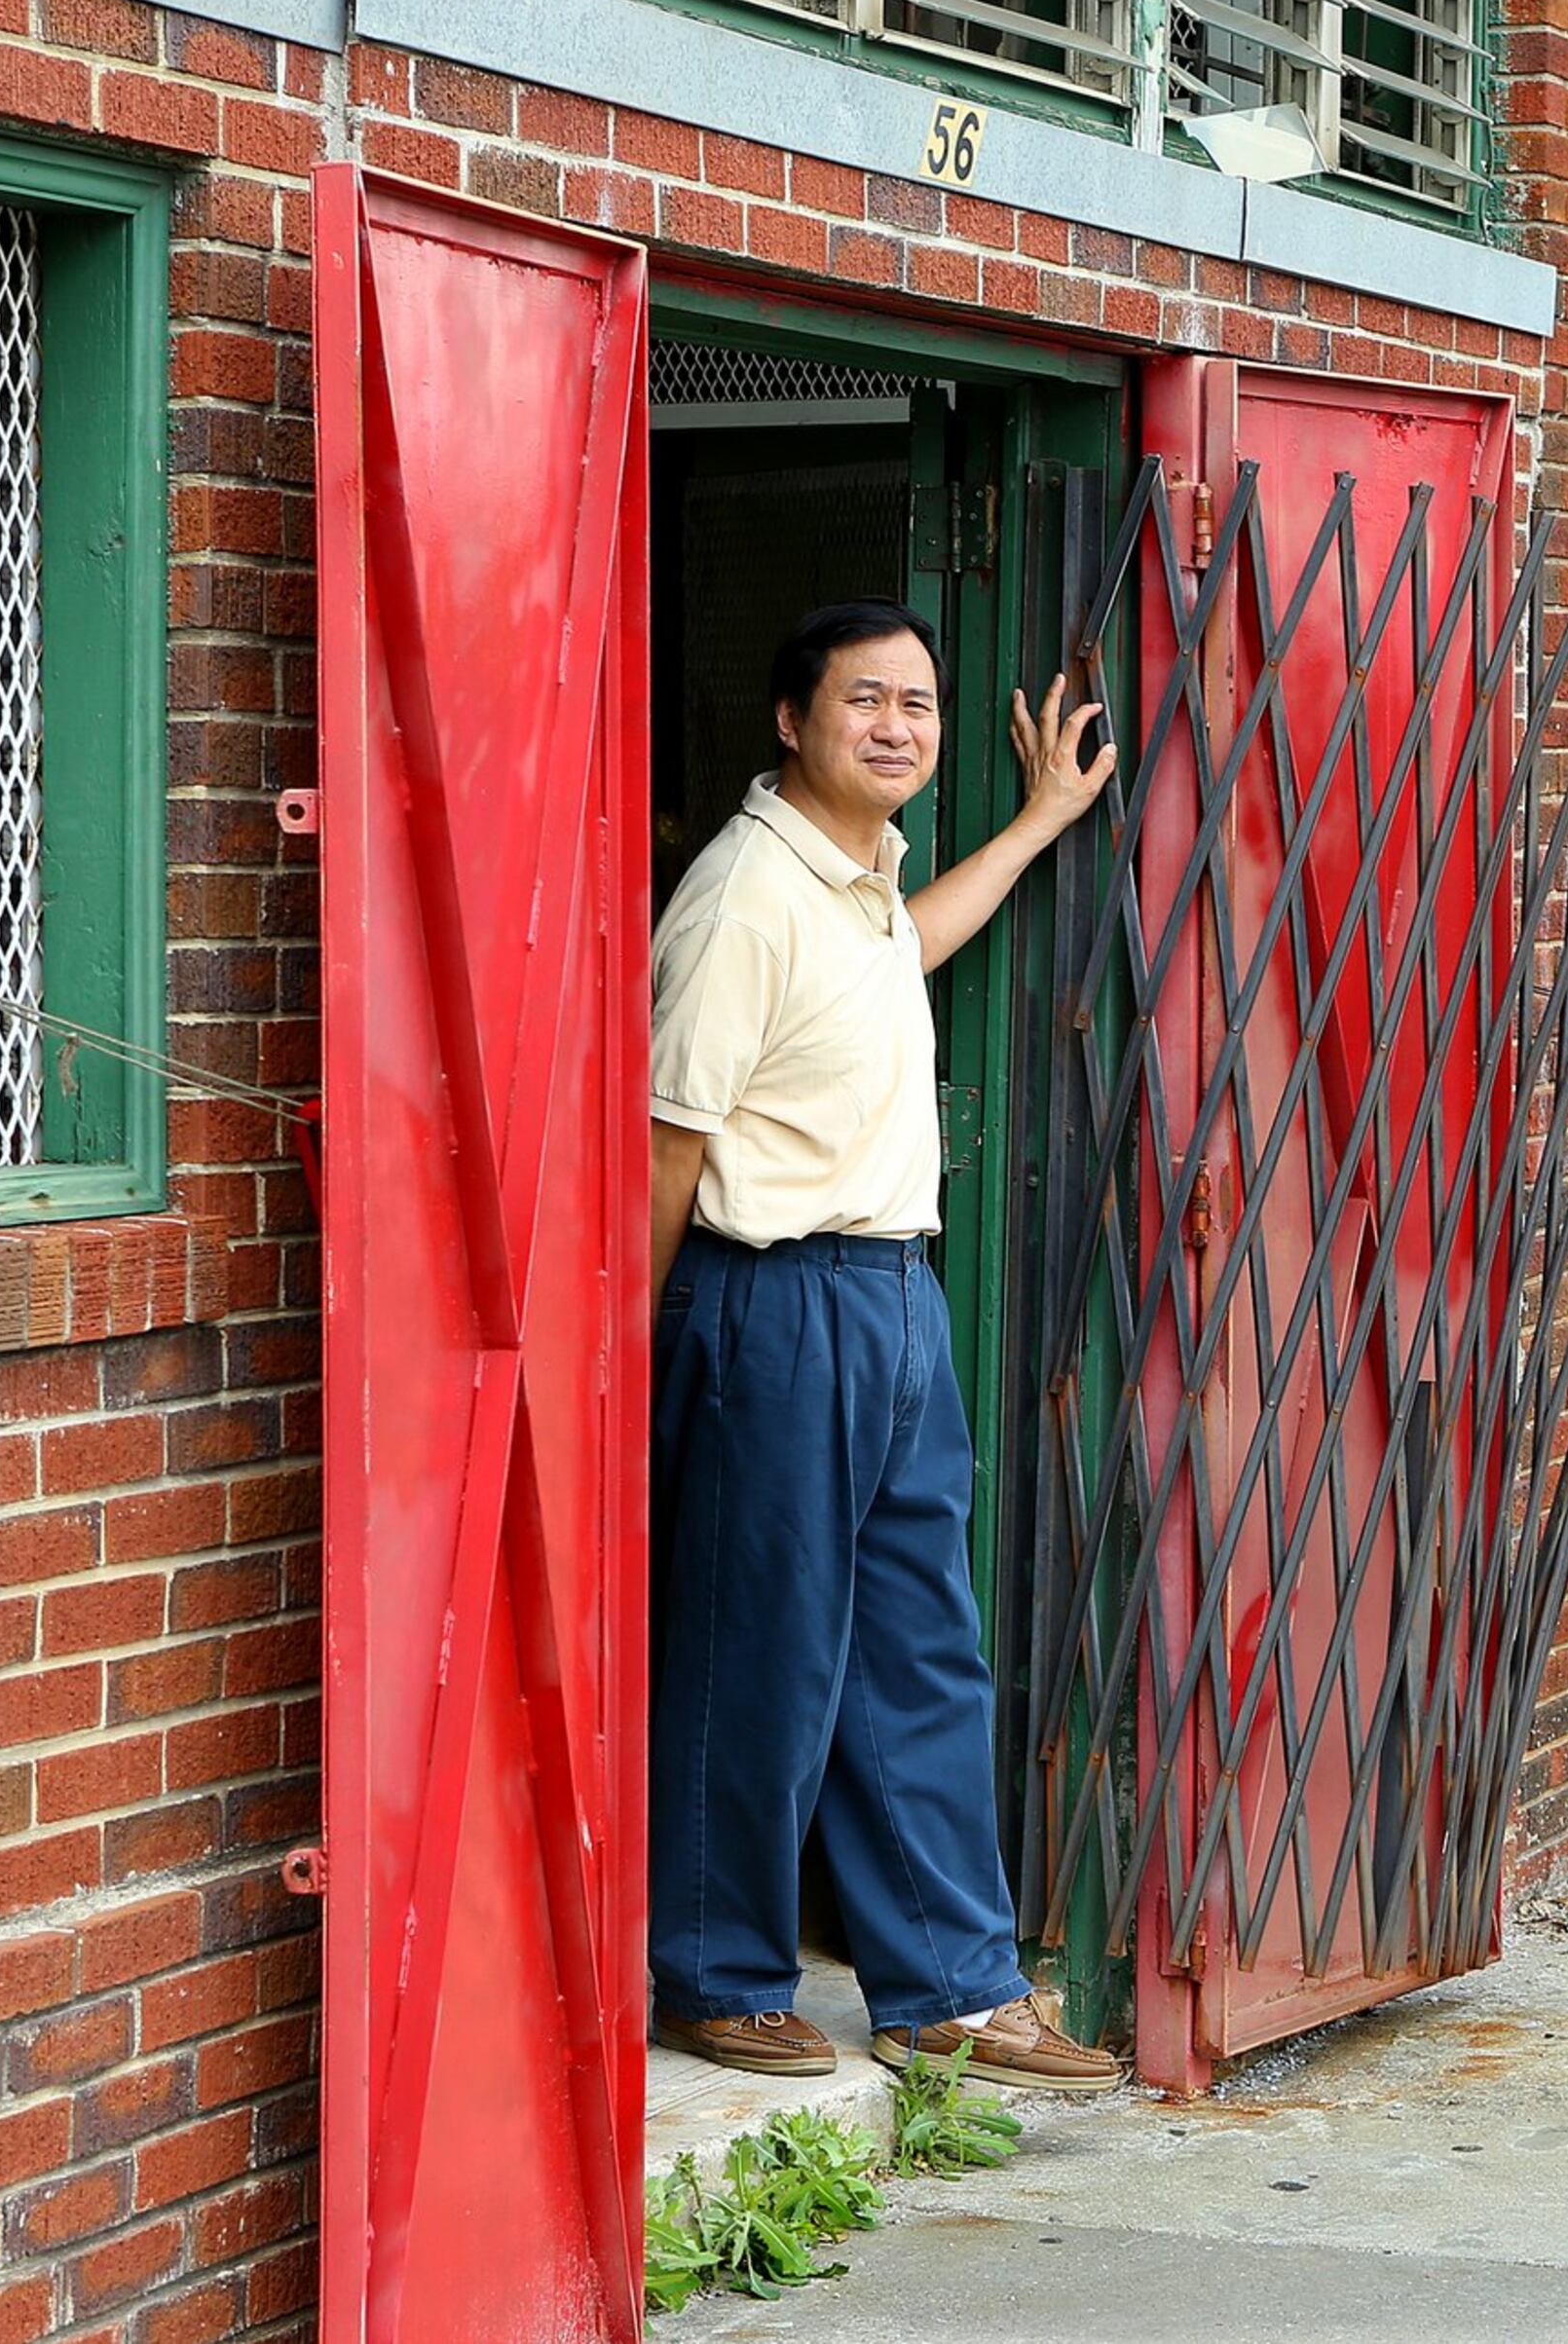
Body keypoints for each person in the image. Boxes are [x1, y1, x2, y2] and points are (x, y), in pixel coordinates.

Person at [645, 599, 1121, 2092]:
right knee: (760, 1648)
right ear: (793, 721)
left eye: (918, 702)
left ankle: (950, 1986)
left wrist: (1042, 818)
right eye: (867, 701)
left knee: (921, 1647)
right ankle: (713, 1974)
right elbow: (668, 1139)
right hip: (769, 1302)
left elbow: (908, 948)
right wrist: (633, 1350)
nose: (900, 726)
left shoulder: (853, 884)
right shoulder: (739, 898)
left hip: (891, 1299)